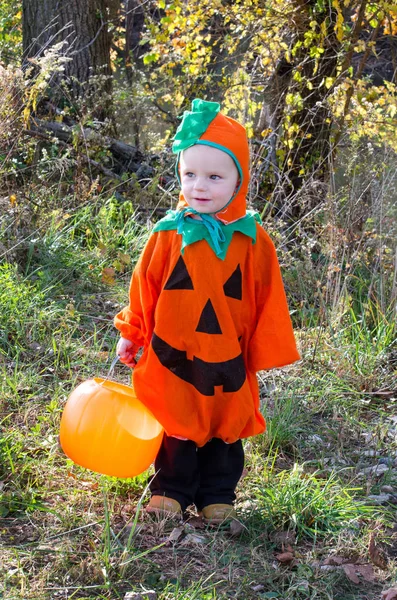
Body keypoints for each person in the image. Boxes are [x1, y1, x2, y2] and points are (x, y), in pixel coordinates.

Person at [114, 99, 300, 525]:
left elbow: (270, 299)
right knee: (176, 417)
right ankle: (171, 490)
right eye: (189, 173)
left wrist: (264, 351)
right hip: (174, 348)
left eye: (215, 176)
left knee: (225, 423)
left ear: (239, 180)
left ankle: (218, 494)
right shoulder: (168, 235)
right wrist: (134, 331)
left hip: (227, 353)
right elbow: (144, 287)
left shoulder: (254, 242)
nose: (199, 185)